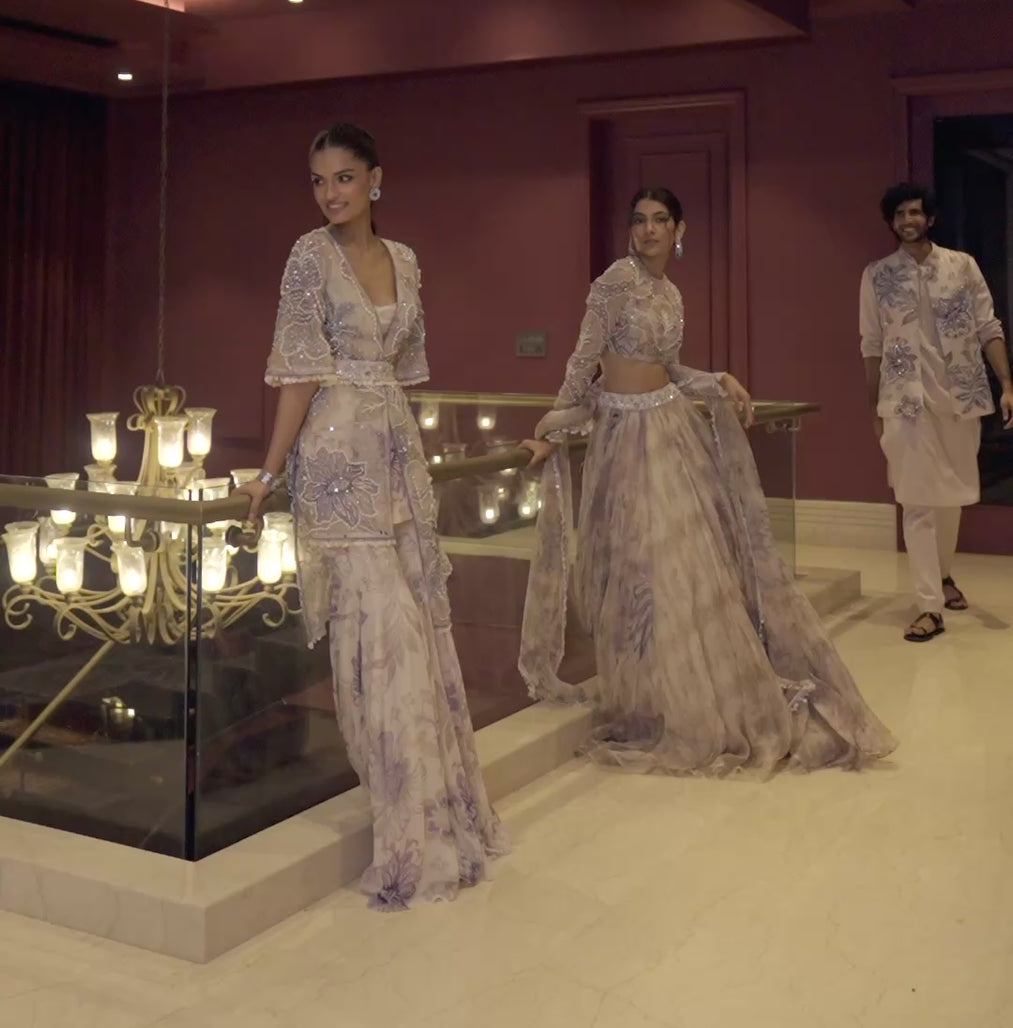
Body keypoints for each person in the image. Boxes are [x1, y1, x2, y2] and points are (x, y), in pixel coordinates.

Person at [519, 188, 895, 775]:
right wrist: (553, 426)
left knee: (683, 568)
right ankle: (653, 699)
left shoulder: (672, 294)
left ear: (679, 230)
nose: (648, 230)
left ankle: (692, 701)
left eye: (660, 220)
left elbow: (668, 370)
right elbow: (582, 361)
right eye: (639, 220)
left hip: (669, 431)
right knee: (638, 569)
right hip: (623, 437)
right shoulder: (615, 282)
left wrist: (717, 378)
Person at [243, 122, 507, 908]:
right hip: (335, 463)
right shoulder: (307, 257)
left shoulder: (406, 260)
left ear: (375, 180)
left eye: (344, 178)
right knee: (380, 638)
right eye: (318, 180)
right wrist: (268, 473)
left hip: (393, 451)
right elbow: (297, 376)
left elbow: (400, 371)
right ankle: (405, 832)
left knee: (418, 629)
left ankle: (439, 811)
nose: (330, 194)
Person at [860, 181, 1013, 643]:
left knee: (948, 497)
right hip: (904, 402)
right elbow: (871, 345)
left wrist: (1007, 383)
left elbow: (988, 327)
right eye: (899, 214)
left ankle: (943, 575)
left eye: (915, 212)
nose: (907, 220)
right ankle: (928, 605)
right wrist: (874, 406)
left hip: (959, 398)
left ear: (930, 218)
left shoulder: (962, 266)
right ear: (891, 223)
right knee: (916, 499)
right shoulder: (876, 275)